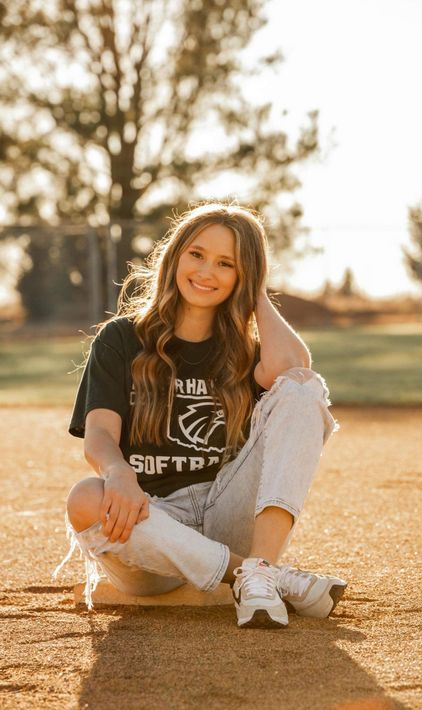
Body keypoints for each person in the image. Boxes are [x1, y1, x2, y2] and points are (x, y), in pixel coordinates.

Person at [53, 201, 347, 628]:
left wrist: (258, 292)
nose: (207, 272)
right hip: (149, 522)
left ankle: (259, 566)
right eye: (197, 254)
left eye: (227, 263)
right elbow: (99, 432)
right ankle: (260, 575)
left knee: (303, 387)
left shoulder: (246, 348)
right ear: (176, 255)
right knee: (85, 496)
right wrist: (118, 473)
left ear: (242, 275)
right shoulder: (120, 337)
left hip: (224, 511)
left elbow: (294, 371)